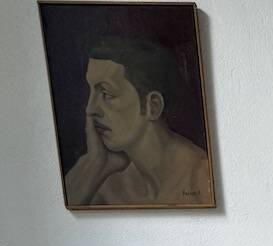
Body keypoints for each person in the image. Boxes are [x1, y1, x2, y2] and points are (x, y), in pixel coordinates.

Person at [64, 38, 212, 206]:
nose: (90, 109)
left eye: (106, 93)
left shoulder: (203, 179)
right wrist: (94, 162)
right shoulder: (106, 182)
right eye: (91, 92)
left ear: (153, 106)